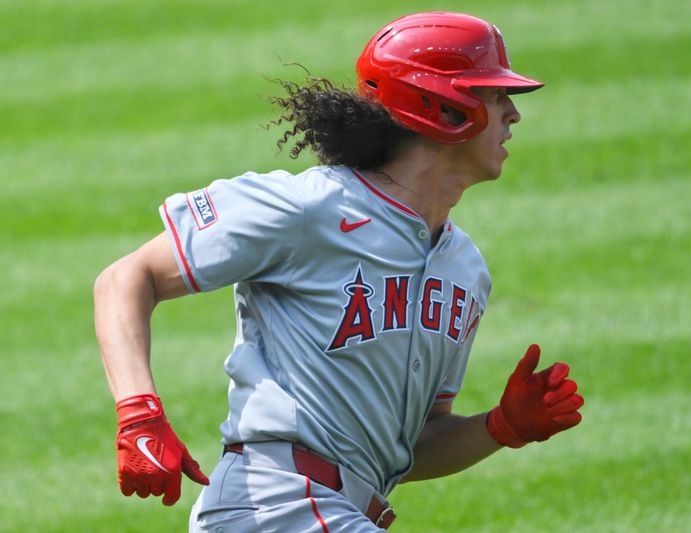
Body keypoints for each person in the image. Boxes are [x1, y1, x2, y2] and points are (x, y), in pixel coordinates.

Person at [94, 11, 584, 532]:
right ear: (443, 106)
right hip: (276, 505)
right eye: (494, 94)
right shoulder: (309, 208)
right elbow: (126, 278)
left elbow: (411, 446)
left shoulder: (465, 270)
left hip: (335, 512)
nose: (513, 114)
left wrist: (500, 427)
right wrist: (140, 413)